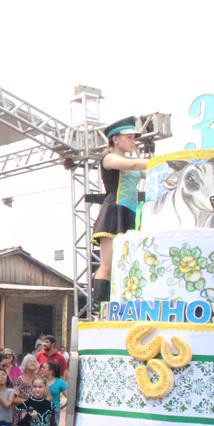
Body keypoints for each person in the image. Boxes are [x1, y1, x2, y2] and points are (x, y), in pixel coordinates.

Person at [91, 116, 149, 312]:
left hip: (131, 214)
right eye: (130, 137)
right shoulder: (109, 158)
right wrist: (157, 161)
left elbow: (148, 171)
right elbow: (133, 166)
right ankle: (99, 308)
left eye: (134, 138)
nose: (133, 141)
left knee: (125, 264)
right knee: (107, 264)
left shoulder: (130, 161)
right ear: (116, 139)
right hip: (114, 212)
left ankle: (121, 304)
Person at [13, 354, 40, 426]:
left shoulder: (40, 380)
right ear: (25, 364)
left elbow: (47, 396)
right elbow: (14, 399)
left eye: (34, 361)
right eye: (30, 361)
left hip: (37, 413)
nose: (33, 363)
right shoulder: (19, 380)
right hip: (22, 414)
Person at [43, 360, 68, 426]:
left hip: (55, 410)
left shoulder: (60, 382)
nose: (42, 369)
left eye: (44, 368)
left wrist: (62, 406)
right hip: (42, 409)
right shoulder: (40, 381)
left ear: (51, 371)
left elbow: (68, 396)